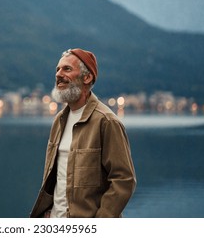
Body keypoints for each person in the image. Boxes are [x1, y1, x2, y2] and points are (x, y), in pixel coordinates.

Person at [30, 48, 136, 218]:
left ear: (87, 77)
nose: (58, 74)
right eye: (57, 69)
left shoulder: (106, 122)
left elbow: (123, 180)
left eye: (67, 69)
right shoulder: (59, 120)